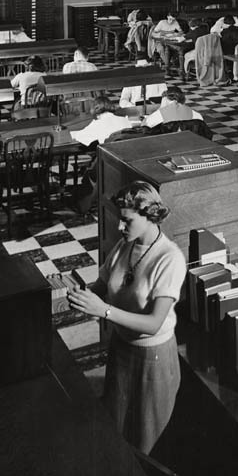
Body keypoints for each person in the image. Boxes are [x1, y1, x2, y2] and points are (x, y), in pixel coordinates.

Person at [67, 181, 186, 453]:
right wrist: (74, 293)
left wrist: (104, 311)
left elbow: (154, 323)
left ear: (150, 217)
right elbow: (101, 288)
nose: (120, 227)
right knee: (116, 431)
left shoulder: (169, 258)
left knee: (147, 442)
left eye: (126, 220)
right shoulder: (124, 246)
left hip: (153, 359)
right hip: (121, 351)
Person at [71, 95, 136, 147]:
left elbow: (80, 136)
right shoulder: (125, 120)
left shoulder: (97, 124)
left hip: (109, 158)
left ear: (95, 109)